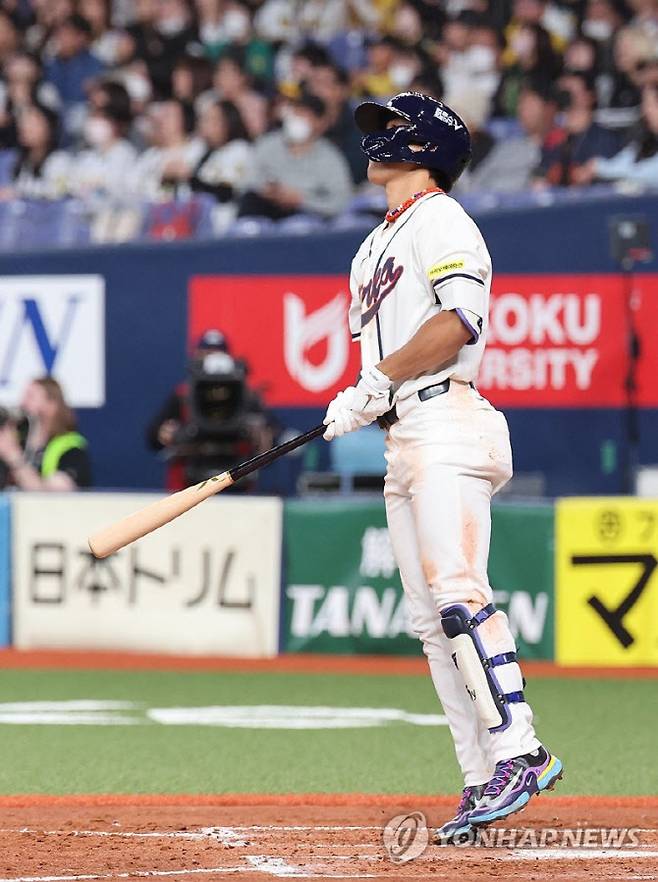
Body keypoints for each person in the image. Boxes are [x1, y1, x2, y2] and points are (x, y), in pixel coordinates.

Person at [321, 91, 562, 843]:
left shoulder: (443, 219)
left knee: (459, 596)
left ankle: (520, 748)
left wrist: (377, 380)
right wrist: (365, 397)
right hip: (404, 431)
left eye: (393, 128)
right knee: (430, 623)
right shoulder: (373, 244)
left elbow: (459, 322)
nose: (380, 138)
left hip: (447, 420)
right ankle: (481, 771)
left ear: (426, 147)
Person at [147, 329, 273, 491]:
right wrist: (167, 434)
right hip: (189, 479)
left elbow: (271, 438)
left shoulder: (246, 396)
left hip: (236, 477)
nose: (212, 360)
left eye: (218, 354)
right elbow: (153, 436)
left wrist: (262, 437)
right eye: (206, 353)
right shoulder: (183, 396)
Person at [239, 93, 352, 220]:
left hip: (307, 215)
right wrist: (268, 190)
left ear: (321, 123)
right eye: (295, 113)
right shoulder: (266, 144)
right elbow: (246, 181)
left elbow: (340, 202)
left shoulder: (330, 157)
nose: (297, 119)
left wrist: (302, 200)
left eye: (304, 115)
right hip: (265, 208)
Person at [0, 376, 91, 490]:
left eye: (30, 397)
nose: (23, 403)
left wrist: (13, 456)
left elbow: (47, 497)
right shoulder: (21, 446)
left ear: (52, 405)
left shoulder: (71, 450)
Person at [535, 71, 620, 187]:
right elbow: (542, 173)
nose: (565, 97)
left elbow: (607, 181)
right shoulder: (555, 138)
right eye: (562, 91)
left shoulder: (604, 139)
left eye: (571, 91)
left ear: (589, 96)